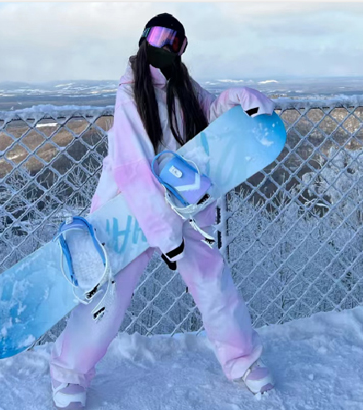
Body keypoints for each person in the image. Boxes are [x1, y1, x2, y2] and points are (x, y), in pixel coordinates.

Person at [49, 13, 275, 409]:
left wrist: (238, 99)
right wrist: (164, 234)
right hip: (129, 209)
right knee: (108, 295)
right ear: (144, 41)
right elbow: (134, 169)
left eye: (178, 43)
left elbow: (209, 115)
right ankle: (69, 373)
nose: (169, 49)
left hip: (184, 201)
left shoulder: (181, 84)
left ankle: (243, 360)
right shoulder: (129, 93)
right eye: (162, 38)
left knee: (213, 283)